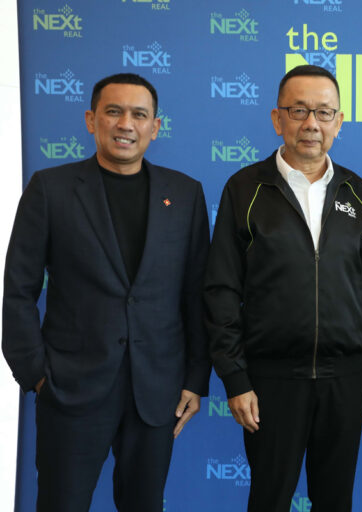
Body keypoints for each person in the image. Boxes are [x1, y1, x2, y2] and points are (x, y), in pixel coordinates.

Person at [2, 73, 211, 512]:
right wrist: (36, 374)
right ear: (91, 119)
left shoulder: (185, 194)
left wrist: (195, 378)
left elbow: (196, 293)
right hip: (71, 388)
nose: (125, 124)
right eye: (113, 112)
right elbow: (18, 290)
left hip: (156, 392)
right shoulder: (50, 188)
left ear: (155, 127)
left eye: (139, 115)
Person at [204, 64, 362, 512]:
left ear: (339, 122)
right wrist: (235, 378)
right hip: (271, 381)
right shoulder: (245, 189)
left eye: (324, 112)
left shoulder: (357, 191)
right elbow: (221, 289)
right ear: (277, 118)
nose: (312, 123)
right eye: (299, 110)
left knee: (335, 501)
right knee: (269, 500)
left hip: (345, 380)